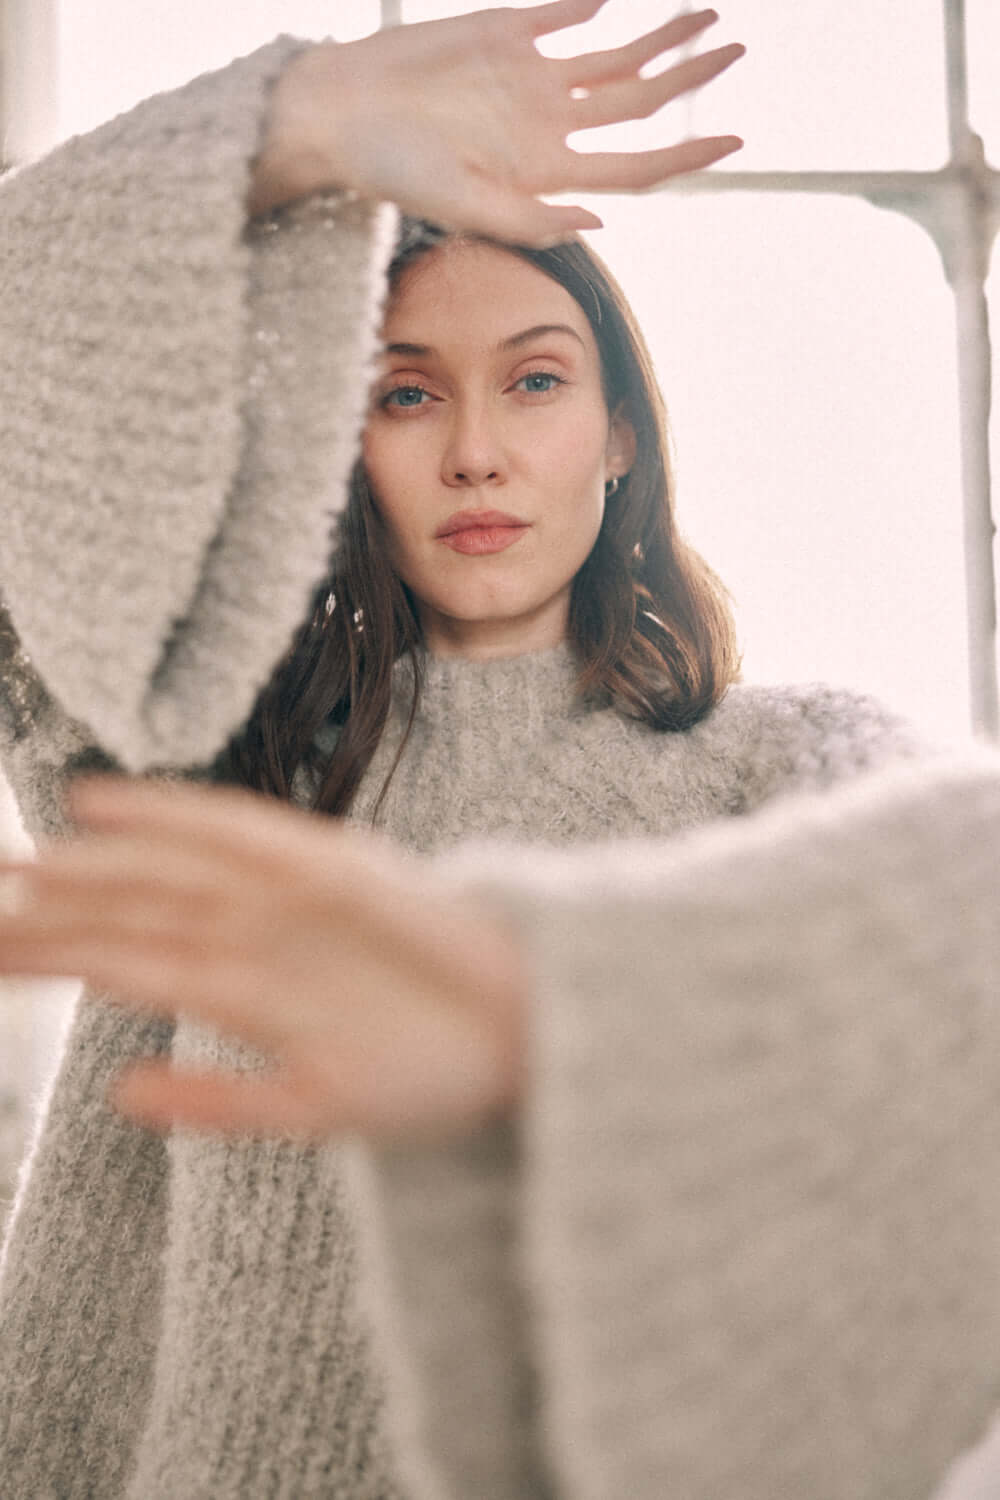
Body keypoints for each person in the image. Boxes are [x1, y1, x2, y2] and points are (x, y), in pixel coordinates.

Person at [0, 3, 998, 1497]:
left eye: (534, 380)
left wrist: (564, 1008)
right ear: (347, 447)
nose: (474, 448)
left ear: (617, 437)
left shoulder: (777, 776)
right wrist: (294, 131)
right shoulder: (191, 780)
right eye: (407, 393)